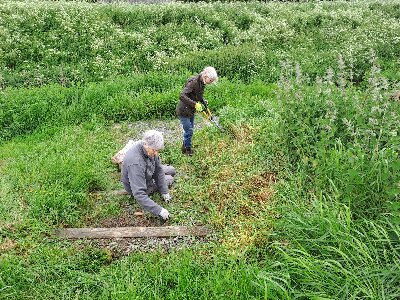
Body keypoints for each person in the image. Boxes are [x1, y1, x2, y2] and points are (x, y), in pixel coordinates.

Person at [121, 130, 176, 221]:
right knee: (169, 179)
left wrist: (164, 192)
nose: (156, 153)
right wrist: (159, 211)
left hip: (147, 171)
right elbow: (139, 194)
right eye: (154, 150)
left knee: (172, 170)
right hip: (140, 183)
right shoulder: (136, 162)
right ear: (146, 145)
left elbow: (158, 170)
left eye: (157, 150)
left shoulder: (148, 147)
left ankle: (160, 185)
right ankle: (153, 185)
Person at [176, 66, 218, 156]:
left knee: (189, 130)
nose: (211, 83)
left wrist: (203, 101)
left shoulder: (202, 83)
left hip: (191, 110)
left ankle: (184, 147)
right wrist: (195, 104)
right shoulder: (194, 82)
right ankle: (188, 151)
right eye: (211, 80)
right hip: (183, 110)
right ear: (206, 76)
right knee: (189, 131)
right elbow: (182, 96)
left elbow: (197, 95)